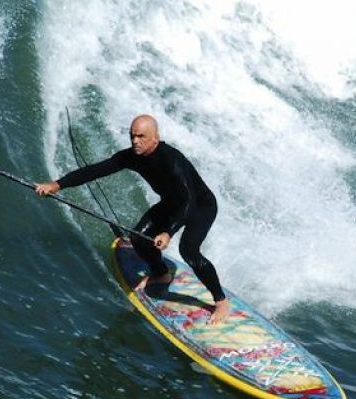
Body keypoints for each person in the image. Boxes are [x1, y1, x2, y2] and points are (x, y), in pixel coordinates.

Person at [35, 115, 231, 324]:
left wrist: (168, 232)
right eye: (132, 136)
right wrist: (57, 184)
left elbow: (189, 201)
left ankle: (220, 301)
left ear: (155, 138)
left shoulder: (171, 160)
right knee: (138, 238)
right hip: (172, 203)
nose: (135, 141)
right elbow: (95, 170)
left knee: (189, 250)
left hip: (200, 207)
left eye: (141, 137)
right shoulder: (132, 156)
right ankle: (161, 273)